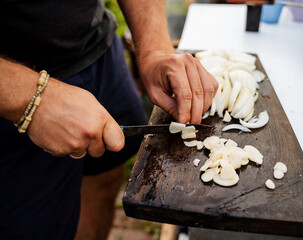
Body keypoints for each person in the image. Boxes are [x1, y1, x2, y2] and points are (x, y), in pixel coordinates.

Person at [0, 0, 218, 239]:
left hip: (96, 48)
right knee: (30, 225)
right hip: (10, 96)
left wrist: (154, 50)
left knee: (104, 178)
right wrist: (27, 95)